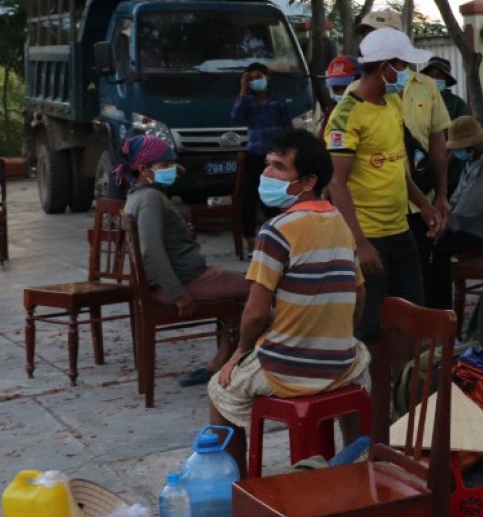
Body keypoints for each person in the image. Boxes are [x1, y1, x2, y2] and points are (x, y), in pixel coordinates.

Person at [208, 131, 369, 469]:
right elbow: (359, 296)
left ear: (308, 181)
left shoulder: (276, 230)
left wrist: (239, 353)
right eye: (267, 164)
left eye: (279, 167)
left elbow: (255, 312)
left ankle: (236, 485)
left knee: (220, 391)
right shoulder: (341, 224)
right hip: (340, 367)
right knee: (359, 363)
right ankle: (359, 465)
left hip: (288, 371)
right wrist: (340, 339)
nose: (267, 173)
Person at [326, 27, 446, 343]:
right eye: (402, 65)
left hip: (400, 230)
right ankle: (368, 377)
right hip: (368, 235)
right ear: (385, 67)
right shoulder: (346, 115)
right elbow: (336, 184)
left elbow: (396, 166)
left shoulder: (392, 104)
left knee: (411, 318)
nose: (406, 73)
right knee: (368, 326)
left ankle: (403, 376)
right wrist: (360, 243)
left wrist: (424, 205)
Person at [116, 134, 251, 384]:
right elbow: (151, 252)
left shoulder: (136, 195)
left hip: (181, 278)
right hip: (182, 283)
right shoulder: (150, 200)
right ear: (143, 169)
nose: (171, 169)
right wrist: (178, 294)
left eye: (172, 164)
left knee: (242, 296)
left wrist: (171, 164)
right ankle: (233, 361)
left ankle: (224, 359)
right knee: (259, 289)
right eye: (165, 165)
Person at [354, 10, 452, 262]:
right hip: (376, 212)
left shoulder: (426, 86)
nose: (373, 42)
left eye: (380, 35)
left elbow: (437, 144)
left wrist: (441, 195)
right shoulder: (354, 97)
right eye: (369, 36)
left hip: (421, 200)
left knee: (423, 275)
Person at [423, 116, 483, 310]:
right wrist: (441, 218)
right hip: (471, 223)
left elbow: (471, 206)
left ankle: (441, 308)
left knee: (440, 248)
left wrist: (444, 227)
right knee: (431, 244)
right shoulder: (472, 162)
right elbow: (457, 199)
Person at [232, 62, 292, 253]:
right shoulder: (248, 101)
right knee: (249, 198)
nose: (256, 81)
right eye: (251, 78)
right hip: (255, 153)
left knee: (275, 197)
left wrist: (289, 150)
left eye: (259, 77)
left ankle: (277, 240)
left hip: (276, 155)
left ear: (267, 78)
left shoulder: (278, 99)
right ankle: (251, 243)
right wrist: (242, 90)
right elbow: (236, 114)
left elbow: (287, 125)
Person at [422, 57, 471, 191]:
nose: (434, 79)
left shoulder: (457, 104)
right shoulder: (419, 103)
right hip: (425, 170)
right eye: (431, 75)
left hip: (453, 173)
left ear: (446, 80)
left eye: (439, 75)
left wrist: (444, 164)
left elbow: (462, 138)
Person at [321, 55, 359, 130]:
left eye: (346, 88)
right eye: (336, 88)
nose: (342, 93)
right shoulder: (330, 113)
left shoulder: (374, 111)